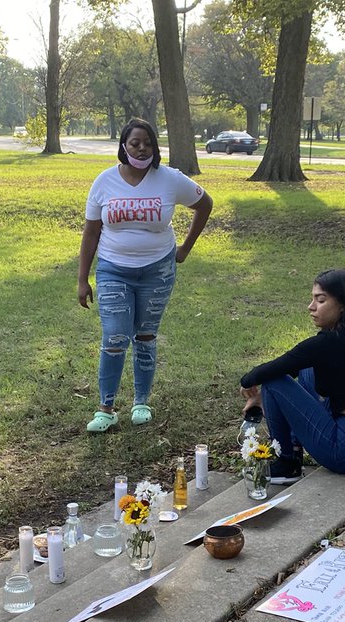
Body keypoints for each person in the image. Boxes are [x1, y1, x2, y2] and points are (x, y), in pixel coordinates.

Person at [77, 117, 213, 432]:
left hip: (158, 272)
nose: (141, 148)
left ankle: (141, 402)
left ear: (155, 146)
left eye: (148, 143)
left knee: (145, 335)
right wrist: (83, 279)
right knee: (115, 336)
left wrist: (185, 248)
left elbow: (205, 205)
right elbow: (90, 233)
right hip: (113, 270)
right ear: (123, 146)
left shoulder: (169, 179)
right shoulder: (104, 181)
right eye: (135, 143)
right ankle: (106, 408)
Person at [239, 268, 345, 482]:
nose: (311, 307)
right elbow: (295, 364)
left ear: (343, 305)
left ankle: (287, 462)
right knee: (306, 369)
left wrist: (251, 386)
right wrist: (264, 398)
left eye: (320, 300)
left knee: (273, 381)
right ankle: (293, 447)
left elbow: (264, 372)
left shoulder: (328, 344)